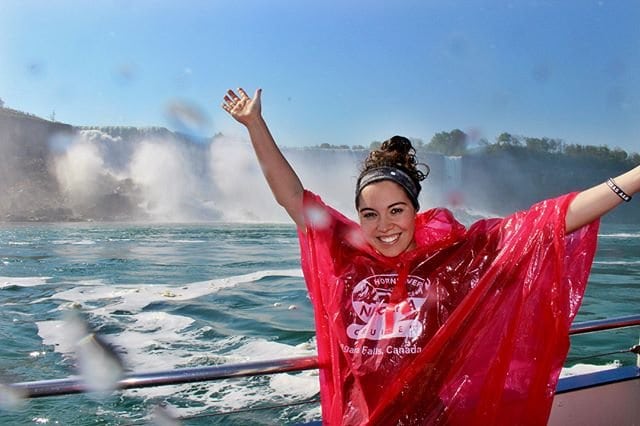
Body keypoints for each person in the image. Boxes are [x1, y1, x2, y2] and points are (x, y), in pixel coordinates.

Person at [222, 87, 640, 425]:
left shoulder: (454, 258)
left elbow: (552, 219)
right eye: (370, 214)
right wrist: (255, 125)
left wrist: (634, 178)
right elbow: (293, 198)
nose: (384, 225)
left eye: (396, 211)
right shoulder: (347, 251)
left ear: (415, 211)